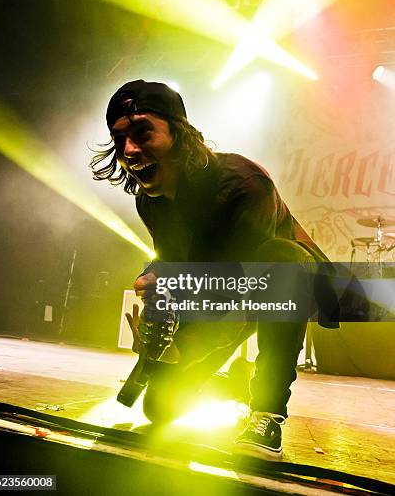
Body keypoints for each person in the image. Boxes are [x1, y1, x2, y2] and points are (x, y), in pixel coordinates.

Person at [91, 79, 340, 458]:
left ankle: (268, 414)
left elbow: (236, 290)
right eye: (119, 138)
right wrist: (159, 298)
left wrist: (184, 345)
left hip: (287, 283)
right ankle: (235, 384)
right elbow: (182, 274)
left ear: (181, 135)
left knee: (282, 261)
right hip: (224, 294)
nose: (128, 150)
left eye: (143, 132)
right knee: (160, 407)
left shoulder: (241, 183)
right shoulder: (152, 201)